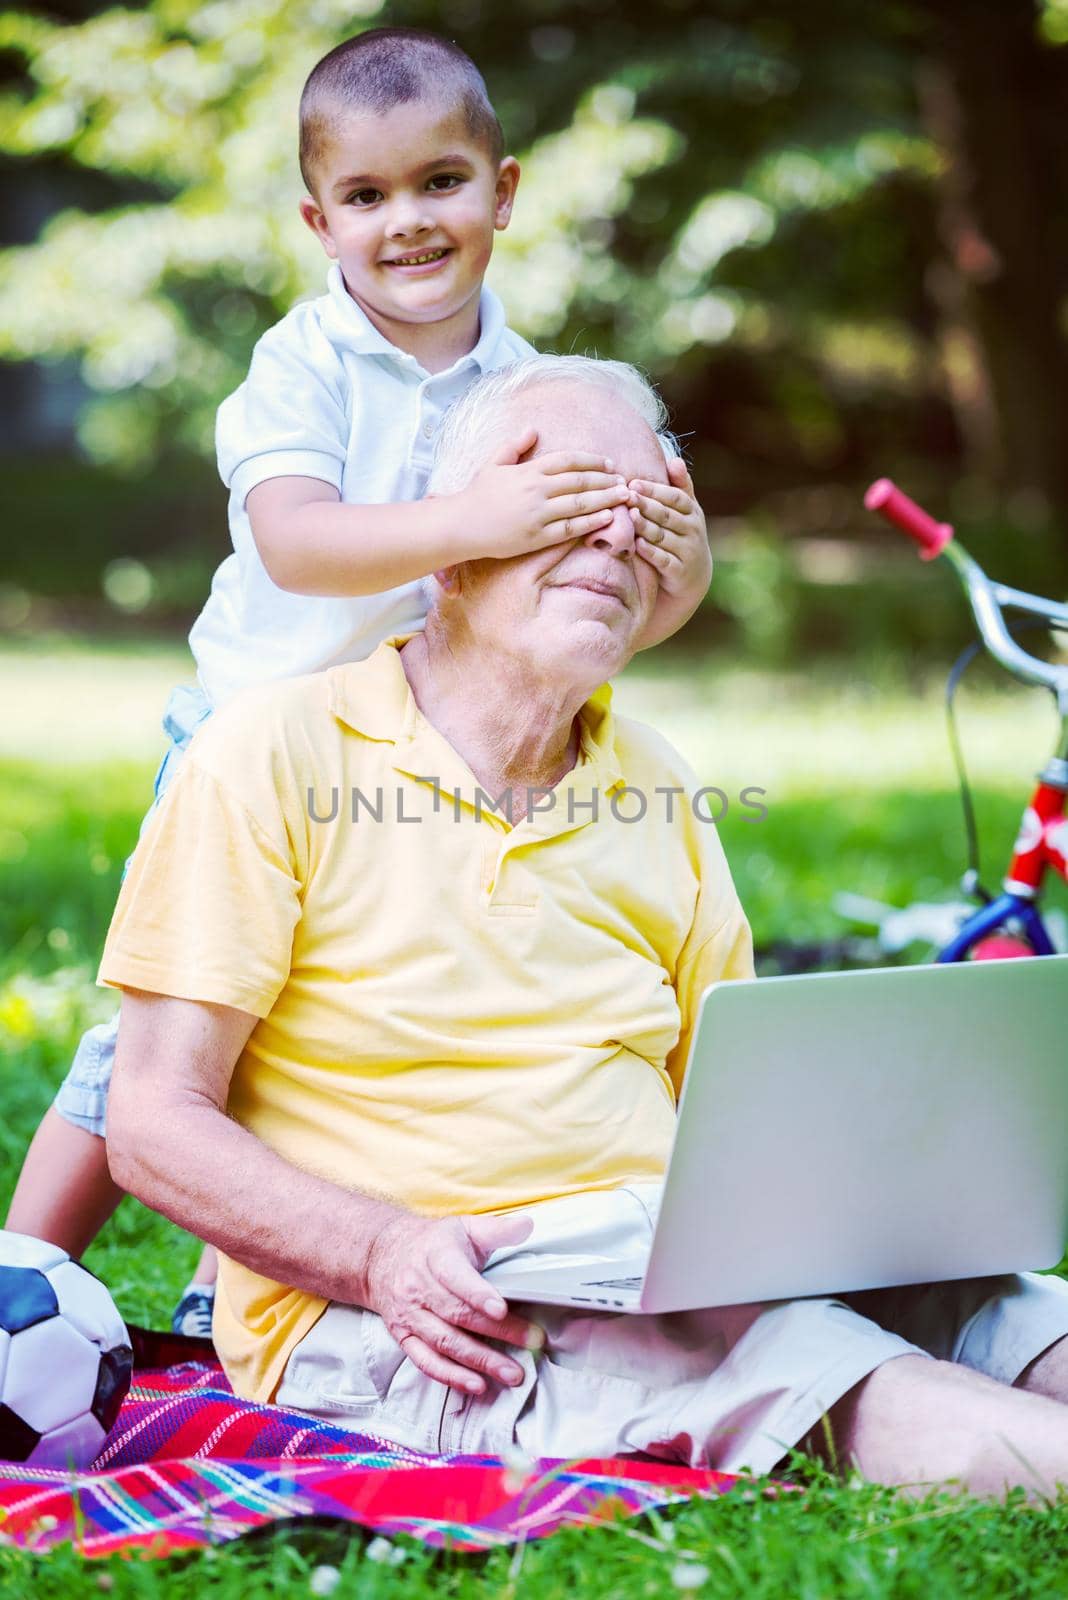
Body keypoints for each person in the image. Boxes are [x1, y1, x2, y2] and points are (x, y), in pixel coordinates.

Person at [102, 357, 1068, 1498]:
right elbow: (153, 1121)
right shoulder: (270, 756)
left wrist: (852, 1222)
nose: (613, 538)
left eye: (644, 512)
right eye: (567, 500)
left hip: (650, 1260)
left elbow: (739, 1101)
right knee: (803, 1363)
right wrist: (383, 1250)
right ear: (452, 545)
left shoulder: (657, 781)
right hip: (427, 1312)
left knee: (1017, 1311)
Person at [4, 30, 712, 1337]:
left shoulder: (529, 383)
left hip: (431, 742)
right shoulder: (304, 365)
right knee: (156, 1052)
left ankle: (250, 1271)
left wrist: (679, 554)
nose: (408, 222)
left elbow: (608, 608)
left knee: (344, 1013)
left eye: (441, 183)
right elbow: (297, 541)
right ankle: (19, 1279)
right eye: (369, 198)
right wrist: (474, 516)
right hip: (254, 739)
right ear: (317, 220)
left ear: (503, 194)